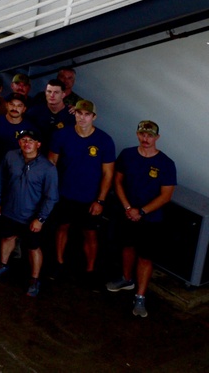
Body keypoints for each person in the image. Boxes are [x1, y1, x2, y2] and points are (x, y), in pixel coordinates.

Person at [106, 120, 177, 318]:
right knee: (127, 246)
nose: (145, 139)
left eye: (150, 135)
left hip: (150, 219)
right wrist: (128, 208)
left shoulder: (166, 164)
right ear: (137, 134)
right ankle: (127, 279)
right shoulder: (127, 155)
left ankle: (140, 296)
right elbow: (118, 181)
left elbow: (166, 196)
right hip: (127, 214)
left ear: (157, 138)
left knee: (145, 257)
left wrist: (142, 212)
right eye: (142, 134)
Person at [48, 99, 116, 280]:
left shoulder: (104, 140)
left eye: (87, 114)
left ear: (94, 117)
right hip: (64, 193)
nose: (82, 118)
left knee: (90, 233)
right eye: (79, 113)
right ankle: (59, 263)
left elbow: (108, 174)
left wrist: (100, 200)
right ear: (75, 114)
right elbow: (51, 163)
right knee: (62, 228)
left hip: (90, 198)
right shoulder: (62, 135)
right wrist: (50, 192)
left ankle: (90, 271)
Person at [0, 129, 59, 297]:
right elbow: (0, 179)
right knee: (7, 238)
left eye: (31, 140)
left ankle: (35, 279)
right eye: (23, 140)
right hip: (9, 210)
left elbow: (51, 197)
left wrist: (40, 219)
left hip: (31, 216)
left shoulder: (48, 168)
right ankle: (3, 264)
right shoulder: (10, 157)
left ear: (38, 144)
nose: (26, 143)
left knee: (33, 248)